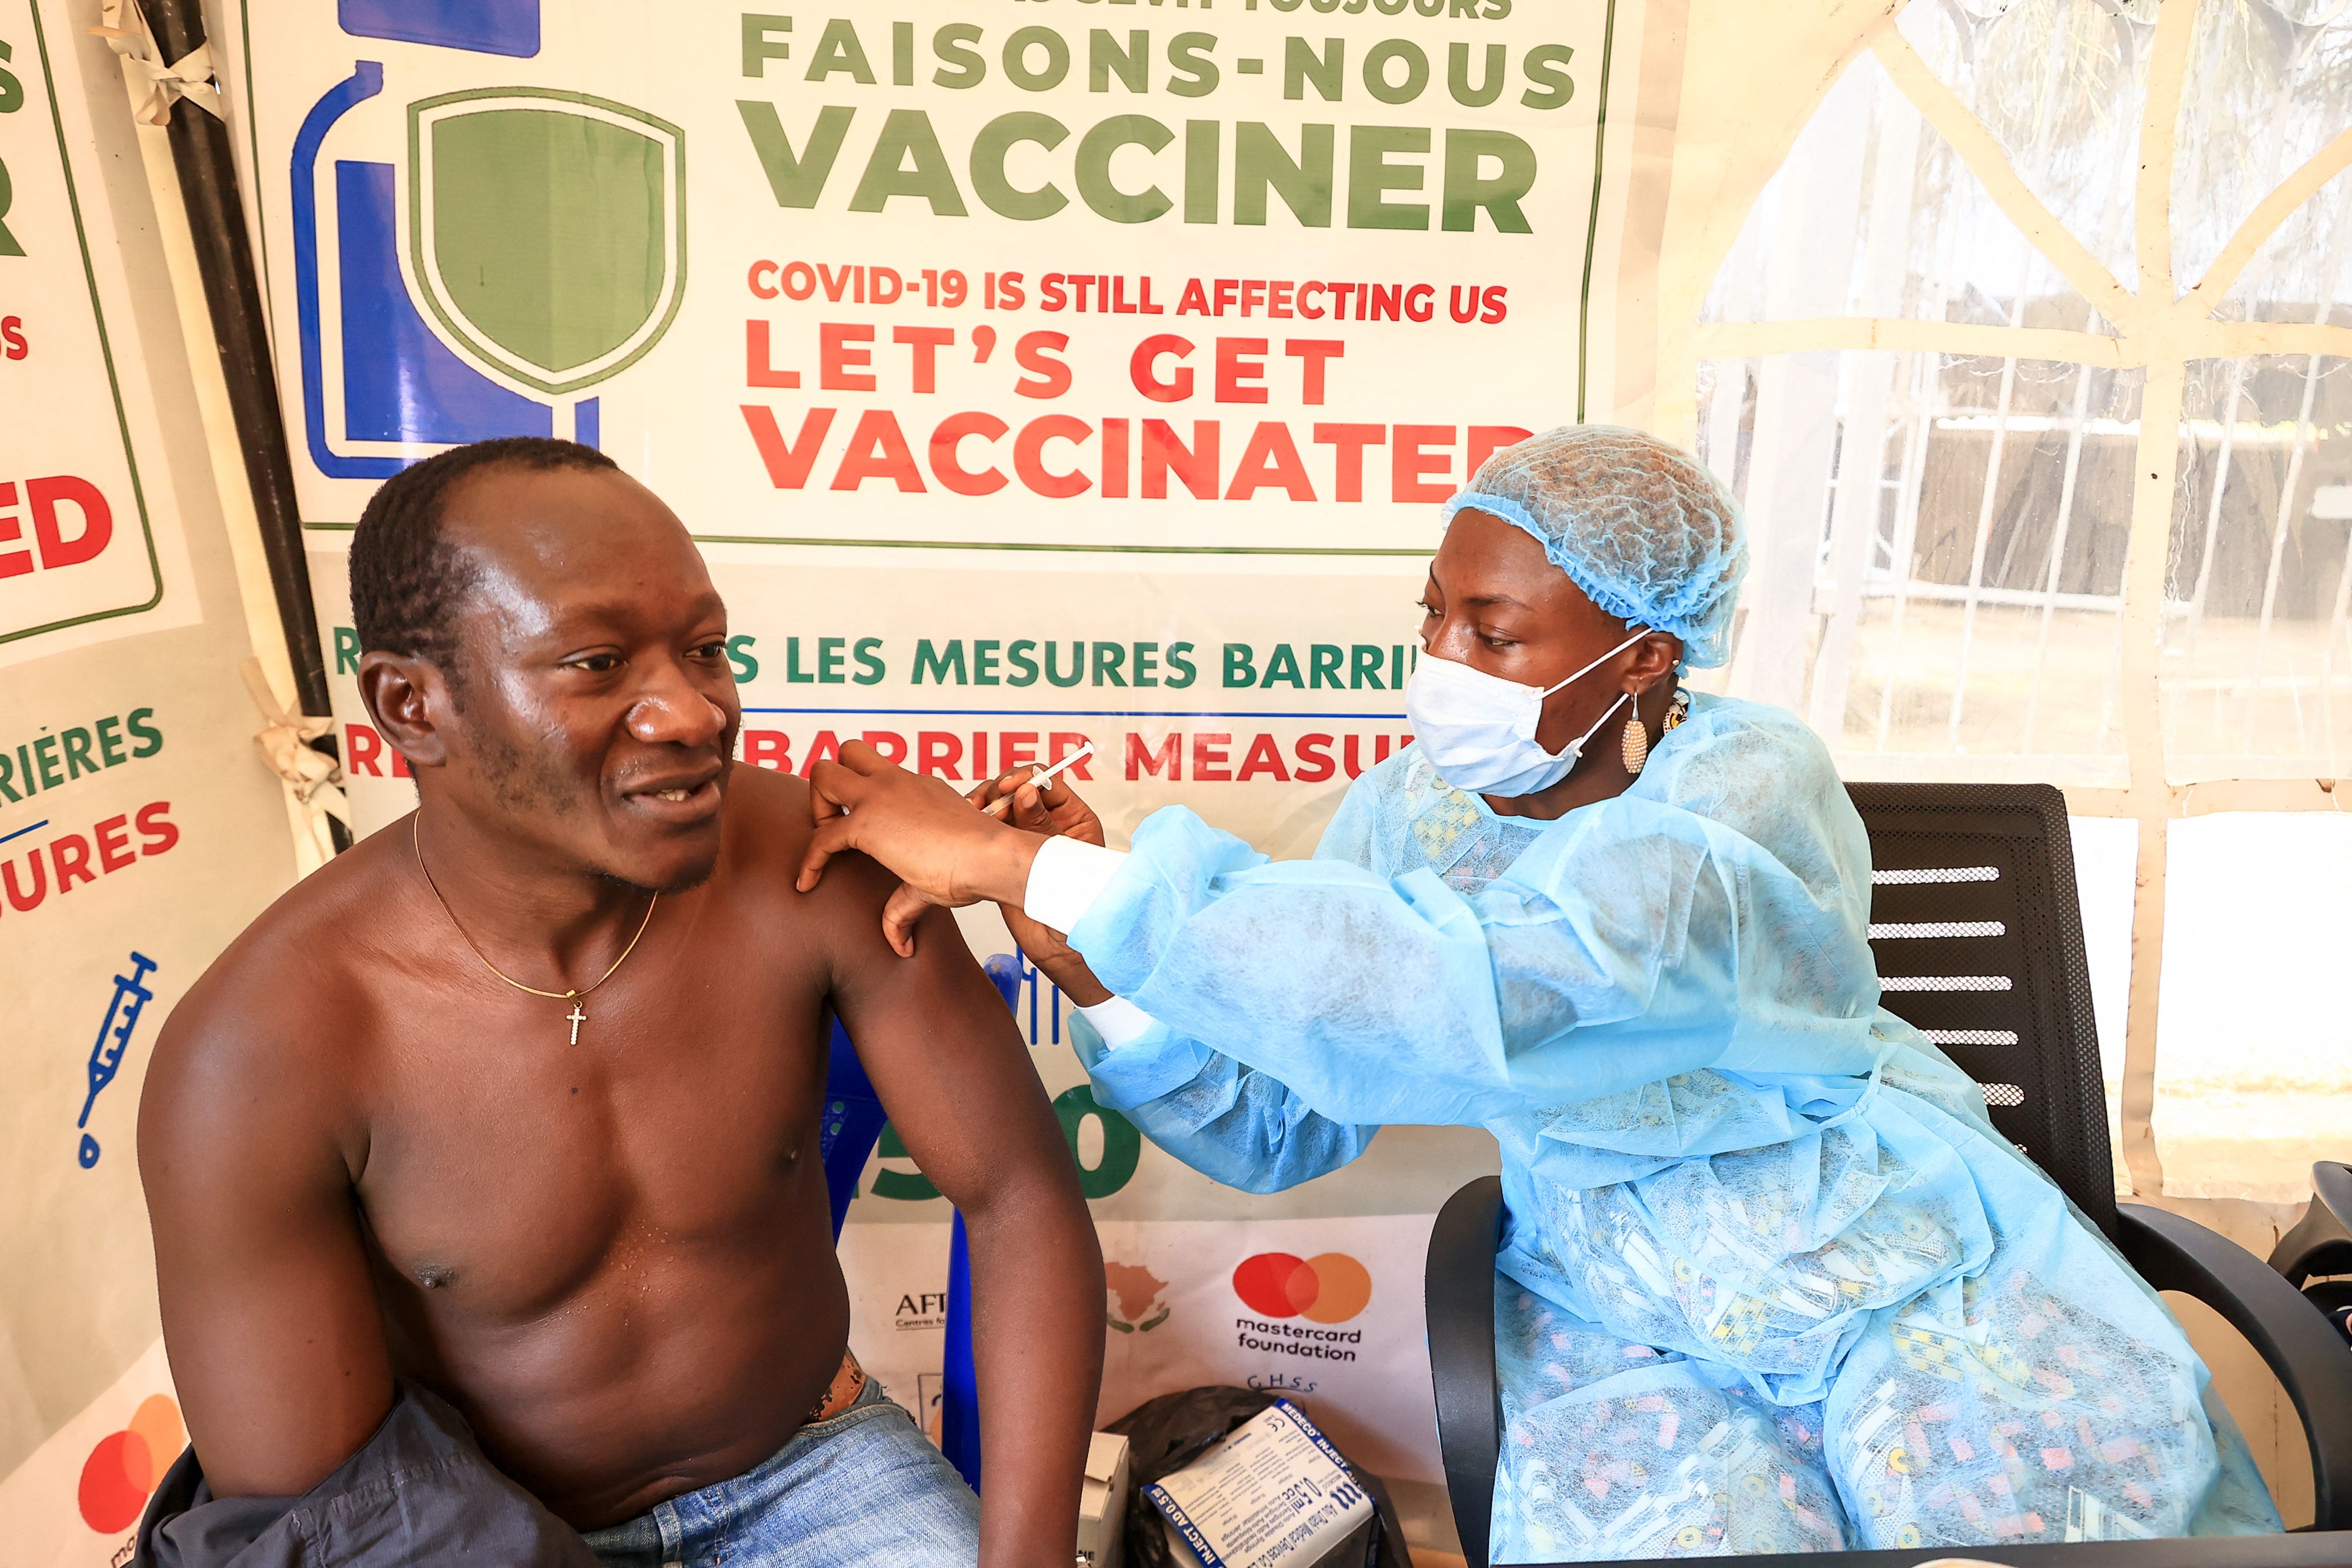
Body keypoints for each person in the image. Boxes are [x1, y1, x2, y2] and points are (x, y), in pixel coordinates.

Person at [794, 427, 2282, 1560]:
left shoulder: (1743, 793)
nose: (1442, 660)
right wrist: (1088, 954)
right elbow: (1271, 1125)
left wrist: (1025, 863)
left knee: (2028, 1528)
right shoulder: (1411, 810)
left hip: (1887, 1265)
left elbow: (1495, 991)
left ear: (1641, 655)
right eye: (1432, 613)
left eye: (1493, 634)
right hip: (1610, 1310)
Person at [137, 437, 1103, 1568]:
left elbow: (1020, 1199)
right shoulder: (258, 1052)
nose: (692, 714)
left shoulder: (815, 863)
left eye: (706, 650)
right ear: (412, 707)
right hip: (477, 1538)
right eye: (597, 664)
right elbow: (338, 1518)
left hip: (812, 1466)